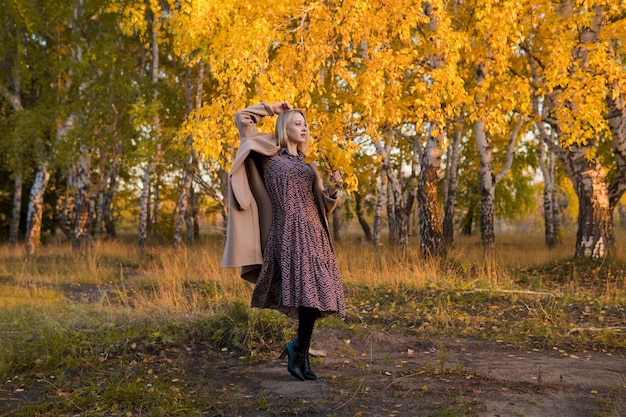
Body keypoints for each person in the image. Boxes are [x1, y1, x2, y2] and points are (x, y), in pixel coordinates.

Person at [221, 101, 346, 381]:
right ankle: (298, 352)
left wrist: (334, 188)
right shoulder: (267, 153)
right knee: (304, 293)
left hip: (314, 233)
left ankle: (298, 349)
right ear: (284, 126)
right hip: (285, 231)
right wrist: (270, 108)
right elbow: (242, 117)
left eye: (306, 125)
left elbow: (322, 205)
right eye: (298, 123)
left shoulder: (309, 165)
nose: (304, 128)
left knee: (314, 293)